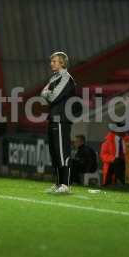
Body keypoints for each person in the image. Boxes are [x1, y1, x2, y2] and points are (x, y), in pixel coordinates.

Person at [41, 52, 76, 194]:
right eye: (51, 61)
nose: (52, 63)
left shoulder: (66, 77)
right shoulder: (54, 77)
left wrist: (49, 94)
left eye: (55, 61)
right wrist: (49, 94)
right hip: (53, 117)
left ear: (62, 63)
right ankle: (58, 184)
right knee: (55, 153)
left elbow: (53, 96)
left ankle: (66, 184)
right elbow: (42, 94)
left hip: (62, 118)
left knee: (62, 152)